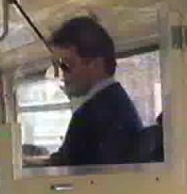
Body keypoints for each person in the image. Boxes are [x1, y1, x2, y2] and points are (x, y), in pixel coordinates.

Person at [44, 16, 143, 167]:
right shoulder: (116, 102)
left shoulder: (91, 116)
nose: (62, 75)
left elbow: (64, 168)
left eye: (67, 65)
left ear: (96, 64)